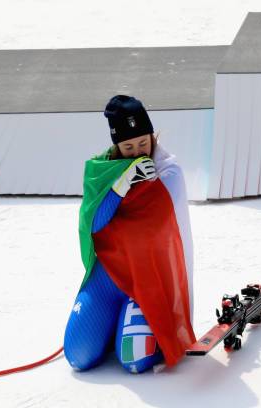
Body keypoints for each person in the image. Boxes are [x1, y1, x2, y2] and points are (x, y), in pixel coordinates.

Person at [63, 95, 195, 374]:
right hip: (108, 276)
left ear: (152, 136)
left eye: (143, 143)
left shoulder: (168, 173)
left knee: (133, 361)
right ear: (116, 146)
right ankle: (112, 322)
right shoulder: (101, 172)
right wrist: (120, 186)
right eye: (128, 147)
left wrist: (147, 188)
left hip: (146, 282)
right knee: (78, 357)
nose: (137, 152)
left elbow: (155, 232)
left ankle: (139, 324)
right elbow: (93, 225)